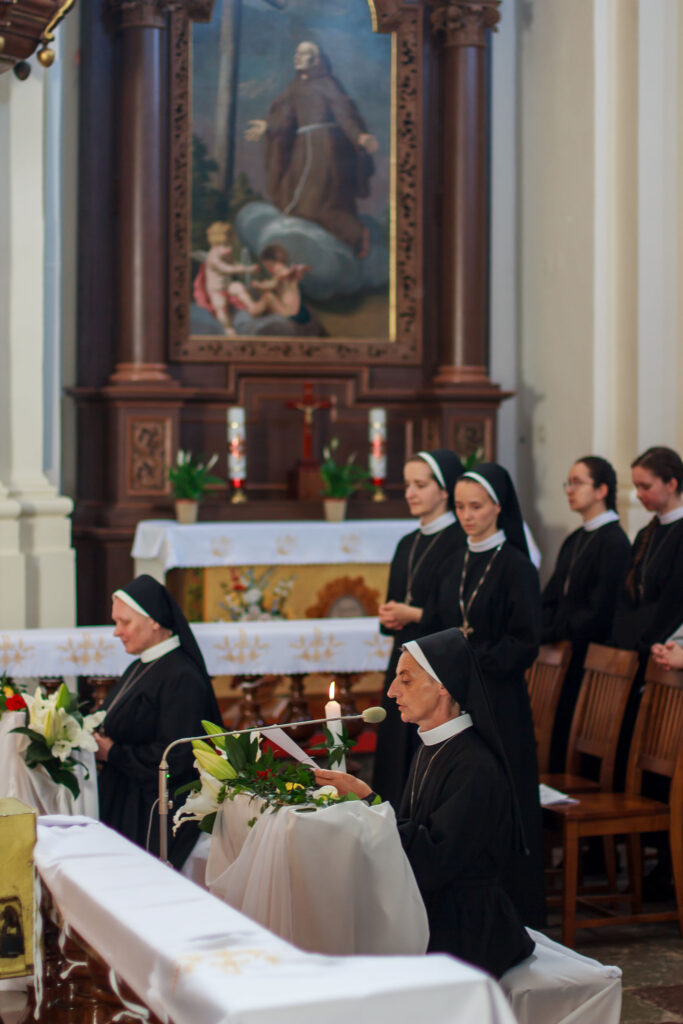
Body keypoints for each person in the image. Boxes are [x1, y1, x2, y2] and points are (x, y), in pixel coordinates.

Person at [316, 629, 535, 978]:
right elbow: (414, 836)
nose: (391, 692)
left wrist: (367, 802)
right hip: (434, 907)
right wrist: (366, 802)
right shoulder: (431, 746)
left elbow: (432, 860)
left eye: (405, 679)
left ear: (443, 685)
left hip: (468, 930)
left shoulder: (474, 766)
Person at [425, 462, 546, 928]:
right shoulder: (454, 561)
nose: (467, 516)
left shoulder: (515, 565)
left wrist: (470, 655)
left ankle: (515, 909)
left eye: (476, 507)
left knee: (503, 796)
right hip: (456, 703)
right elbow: (438, 624)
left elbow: (524, 642)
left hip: (500, 702)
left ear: (499, 506)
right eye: (459, 507)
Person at [95, 575, 223, 869]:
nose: (117, 632)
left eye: (124, 622)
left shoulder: (181, 676)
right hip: (127, 799)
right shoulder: (143, 664)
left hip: (154, 812)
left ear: (153, 620)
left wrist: (113, 753)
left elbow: (176, 757)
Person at [371, 449, 465, 808]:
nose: (410, 492)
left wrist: (413, 614)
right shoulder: (407, 542)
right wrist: (390, 617)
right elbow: (397, 599)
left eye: (420, 484)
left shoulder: (458, 540)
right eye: (407, 484)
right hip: (403, 660)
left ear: (445, 491)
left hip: (436, 671)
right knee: (395, 751)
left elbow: (454, 613)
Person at [245, 41, 378, 257]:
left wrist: (359, 136)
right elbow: (286, 117)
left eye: (303, 53)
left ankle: (356, 234)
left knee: (313, 202)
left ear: (316, 60)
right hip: (301, 149)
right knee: (293, 200)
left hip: (324, 149)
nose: (297, 57)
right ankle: (312, 250)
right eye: (296, 52)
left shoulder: (327, 83)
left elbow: (344, 113)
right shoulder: (295, 86)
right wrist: (267, 125)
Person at [541, 456, 631, 769]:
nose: (569, 490)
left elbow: (601, 610)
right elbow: (551, 595)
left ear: (601, 489)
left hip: (587, 656)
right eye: (569, 482)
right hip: (563, 651)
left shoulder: (615, 543)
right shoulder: (575, 539)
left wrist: (554, 632)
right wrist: (542, 629)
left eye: (578, 482)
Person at [610, 446, 683, 655]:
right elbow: (627, 591)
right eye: (635, 486)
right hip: (636, 640)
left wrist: (648, 640)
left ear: (671, 484)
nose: (638, 494)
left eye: (645, 486)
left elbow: (675, 600)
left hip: (662, 644)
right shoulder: (645, 534)